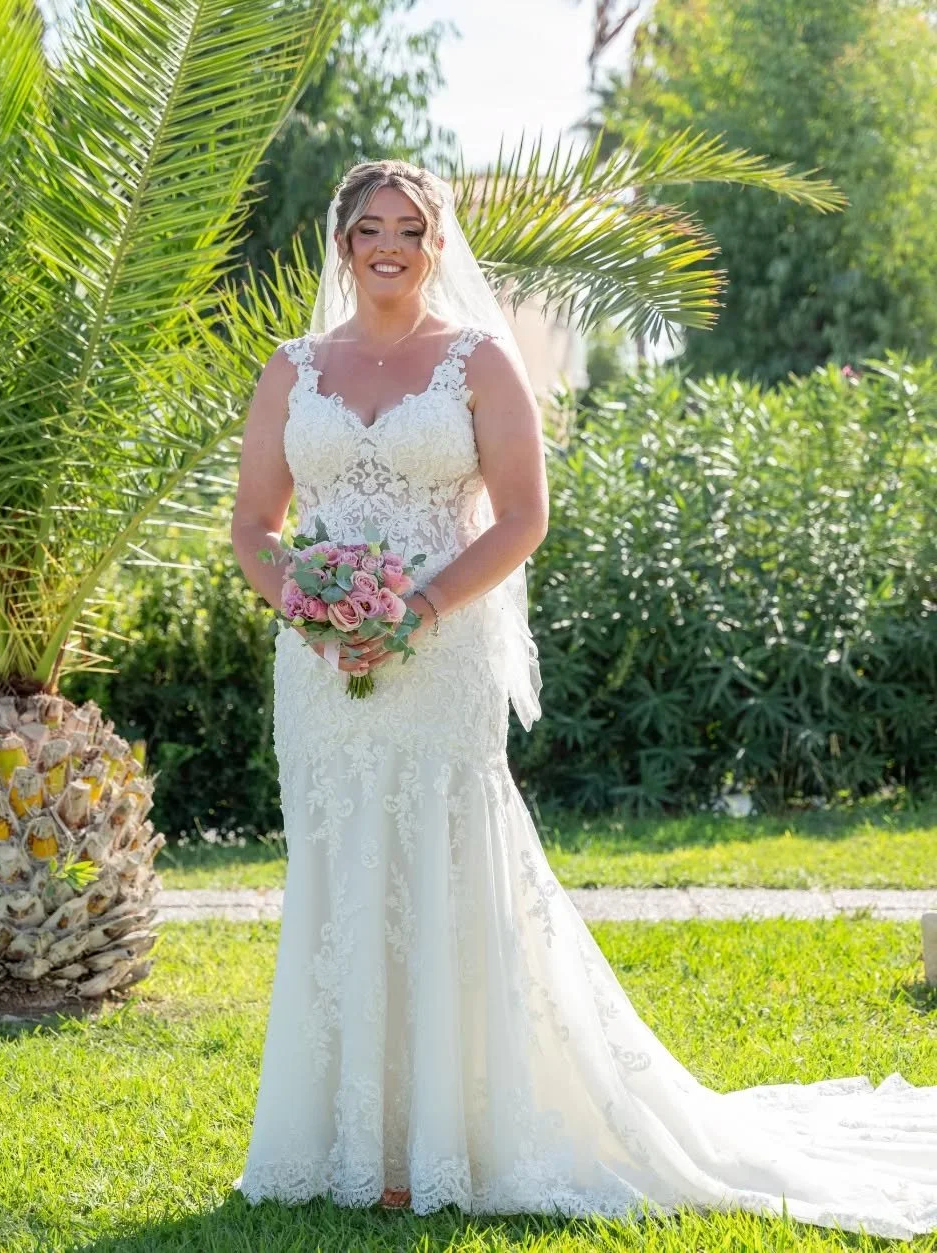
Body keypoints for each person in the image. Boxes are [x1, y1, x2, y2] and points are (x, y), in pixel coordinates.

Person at [228, 158, 937, 1238]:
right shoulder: (291, 369)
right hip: (321, 670)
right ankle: (347, 1140)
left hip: (440, 652)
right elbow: (253, 525)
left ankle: (450, 1140)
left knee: (444, 862)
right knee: (341, 866)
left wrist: (413, 608)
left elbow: (520, 518)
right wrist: (307, 607)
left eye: (410, 228)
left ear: (436, 243)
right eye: (369, 226)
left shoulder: (478, 362)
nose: (389, 244)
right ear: (340, 243)